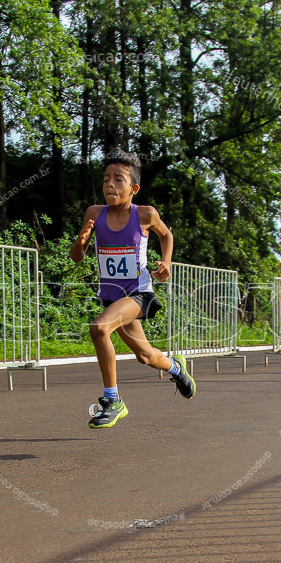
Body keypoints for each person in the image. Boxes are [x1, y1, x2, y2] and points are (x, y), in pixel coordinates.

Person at [69, 149, 196, 428]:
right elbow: (77, 257)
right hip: (112, 297)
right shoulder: (94, 213)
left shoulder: (145, 214)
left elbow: (167, 235)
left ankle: (113, 400)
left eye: (118, 179)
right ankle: (176, 368)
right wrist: (81, 241)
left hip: (138, 293)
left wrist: (166, 262)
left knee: (99, 328)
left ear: (133, 188)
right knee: (145, 356)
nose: (110, 184)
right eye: (106, 179)